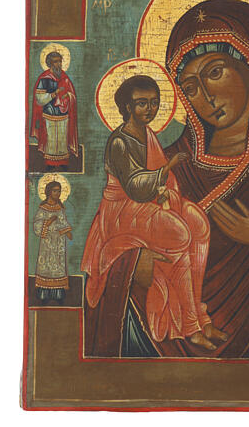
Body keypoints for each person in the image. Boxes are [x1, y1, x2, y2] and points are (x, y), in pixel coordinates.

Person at [84, 0, 249, 359]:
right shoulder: (164, 161)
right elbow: (107, 242)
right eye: (190, 87)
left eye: (216, 72)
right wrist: (133, 267)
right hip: (155, 351)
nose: (206, 97)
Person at [82, 75, 227, 351]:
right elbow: (135, 188)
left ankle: (200, 316)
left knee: (198, 223)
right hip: (123, 211)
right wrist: (167, 167)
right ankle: (189, 326)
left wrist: (165, 191)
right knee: (180, 234)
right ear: (127, 107)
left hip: (148, 202)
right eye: (141, 103)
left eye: (154, 103)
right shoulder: (120, 142)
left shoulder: (148, 134)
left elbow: (158, 182)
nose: (149, 109)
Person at [31, 51, 79, 170]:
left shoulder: (65, 78)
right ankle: (50, 164)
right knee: (51, 142)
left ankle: (63, 163)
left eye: (60, 61)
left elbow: (72, 95)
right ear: (50, 63)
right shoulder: (44, 79)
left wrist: (68, 96)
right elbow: (39, 99)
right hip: (49, 115)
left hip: (63, 115)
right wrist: (53, 94)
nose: (59, 64)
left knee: (62, 141)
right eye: (56, 62)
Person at [33, 180, 73, 304]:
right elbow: (37, 226)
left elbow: (63, 222)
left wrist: (67, 231)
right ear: (49, 192)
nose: (58, 193)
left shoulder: (60, 208)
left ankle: (58, 295)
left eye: (59, 191)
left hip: (58, 244)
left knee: (58, 267)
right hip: (47, 244)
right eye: (55, 191)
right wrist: (48, 222)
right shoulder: (43, 208)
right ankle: (44, 295)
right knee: (46, 266)